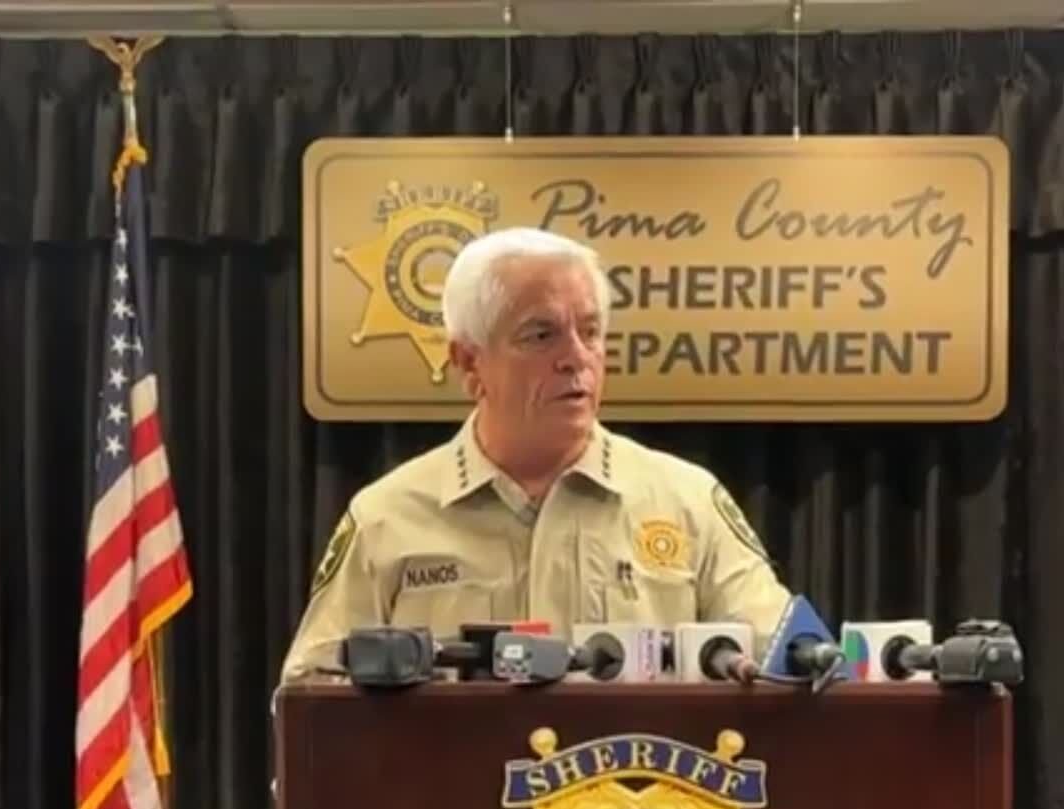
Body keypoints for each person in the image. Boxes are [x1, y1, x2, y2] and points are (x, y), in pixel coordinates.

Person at [278, 226, 792, 685]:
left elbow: (788, 662)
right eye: (541, 335)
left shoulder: (687, 501)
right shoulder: (387, 517)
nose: (577, 358)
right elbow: (311, 696)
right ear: (468, 361)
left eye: (590, 332)